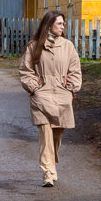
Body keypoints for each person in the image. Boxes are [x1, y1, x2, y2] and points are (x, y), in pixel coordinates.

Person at [18, 10, 82, 187]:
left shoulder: (68, 46)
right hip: (42, 94)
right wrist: (34, 88)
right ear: (49, 25)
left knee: (57, 133)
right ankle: (48, 172)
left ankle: (51, 163)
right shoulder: (34, 45)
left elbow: (75, 70)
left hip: (62, 95)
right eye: (59, 23)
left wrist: (71, 89)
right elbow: (25, 70)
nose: (63, 26)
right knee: (45, 131)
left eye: (63, 24)